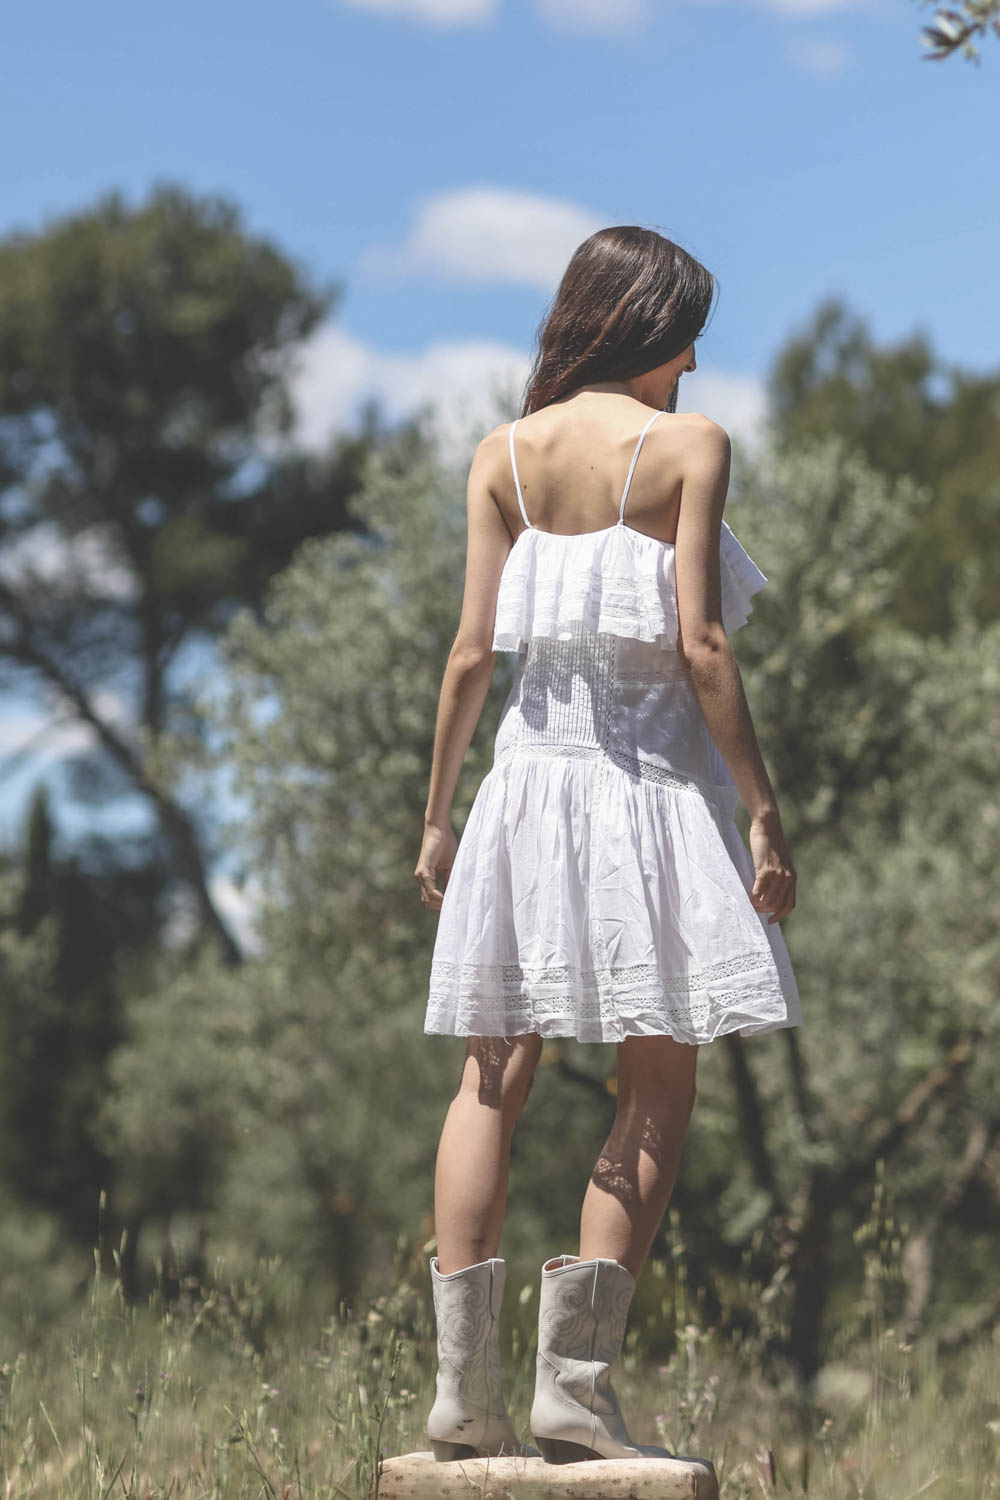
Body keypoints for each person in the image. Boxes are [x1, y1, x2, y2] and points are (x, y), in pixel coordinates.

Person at [413, 225, 802, 1466]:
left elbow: (471, 656)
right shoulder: (686, 445)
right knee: (657, 1074)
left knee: (493, 1069)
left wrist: (434, 816)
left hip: (521, 793)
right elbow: (700, 648)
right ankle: (572, 1390)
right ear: (648, 325)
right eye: (687, 338)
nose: (692, 368)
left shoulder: (502, 458)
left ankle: (459, 1396)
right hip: (642, 795)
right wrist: (760, 805)